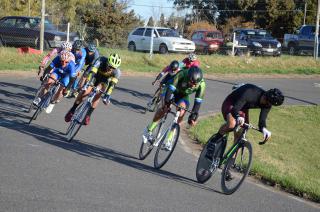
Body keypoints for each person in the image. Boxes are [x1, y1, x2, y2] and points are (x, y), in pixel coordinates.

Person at [205, 83, 285, 180]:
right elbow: (235, 109)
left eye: (270, 104)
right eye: (267, 103)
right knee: (231, 124)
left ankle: (227, 168)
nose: (267, 105)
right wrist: (238, 117)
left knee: (240, 135)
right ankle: (213, 142)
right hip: (231, 103)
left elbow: (262, 120)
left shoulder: (268, 103)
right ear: (265, 96)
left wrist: (264, 129)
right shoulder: (250, 93)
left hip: (243, 108)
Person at [142, 66, 206, 150]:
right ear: (188, 77)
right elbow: (170, 90)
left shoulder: (202, 84)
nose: (193, 85)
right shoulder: (182, 74)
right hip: (171, 89)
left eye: (195, 84)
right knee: (164, 108)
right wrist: (167, 103)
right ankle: (148, 129)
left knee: (181, 113)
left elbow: (197, 103)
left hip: (183, 95)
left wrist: (193, 116)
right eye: (192, 82)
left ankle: (168, 140)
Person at [64, 53, 121, 126]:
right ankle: (72, 110)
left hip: (103, 81)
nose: (111, 69)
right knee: (84, 92)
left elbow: (112, 86)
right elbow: (91, 73)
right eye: (110, 66)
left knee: (98, 95)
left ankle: (88, 115)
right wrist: (87, 84)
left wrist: (107, 96)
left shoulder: (117, 72)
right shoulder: (101, 60)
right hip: (94, 76)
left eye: (114, 68)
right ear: (107, 62)